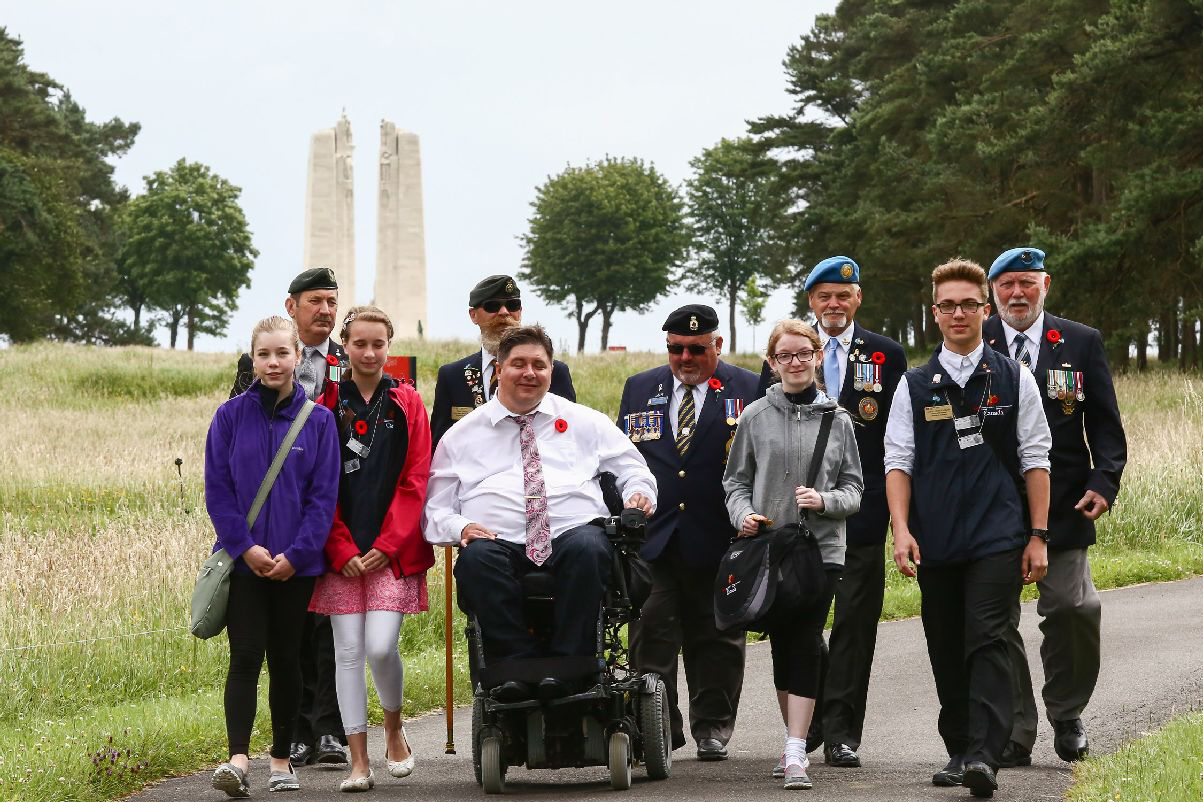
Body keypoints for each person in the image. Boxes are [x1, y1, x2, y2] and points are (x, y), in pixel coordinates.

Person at [884, 258, 1052, 798]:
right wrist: (901, 530)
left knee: (989, 637)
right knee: (945, 641)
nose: (959, 313)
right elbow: (898, 462)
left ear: (985, 309)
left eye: (968, 304)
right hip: (935, 538)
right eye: (948, 305)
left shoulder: (1014, 377)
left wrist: (1038, 536)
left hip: (998, 536)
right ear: (935, 313)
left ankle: (985, 753)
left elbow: (1036, 459)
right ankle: (959, 747)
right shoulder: (913, 385)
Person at [424, 325, 656, 701]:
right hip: (497, 540)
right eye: (519, 364)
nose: (529, 373)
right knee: (476, 561)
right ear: (499, 369)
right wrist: (461, 526)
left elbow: (634, 470)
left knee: (590, 547)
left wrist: (638, 495)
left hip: (572, 533)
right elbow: (436, 508)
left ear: (551, 370)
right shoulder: (462, 435)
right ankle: (515, 668)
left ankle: (571, 666)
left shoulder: (585, 421)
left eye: (539, 365)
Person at [758, 257, 908, 769]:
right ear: (812, 302)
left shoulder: (887, 355)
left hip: (859, 514)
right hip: (796, 526)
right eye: (824, 296)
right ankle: (814, 714)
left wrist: (900, 517)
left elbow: (898, 438)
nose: (834, 304)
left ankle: (843, 733)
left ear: (858, 298)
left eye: (843, 295)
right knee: (800, 623)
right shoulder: (789, 352)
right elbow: (764, 431)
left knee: (854, 627)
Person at [984, 247, 1127, 766]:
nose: (1017, 293)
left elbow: (1106, 426)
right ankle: (1015, 729)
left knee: (1074, 607)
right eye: (1006, 285)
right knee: (994, 620)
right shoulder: (974, 340)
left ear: (1045, 285)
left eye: (1026, 283)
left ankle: (1067, 713)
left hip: (1065, 503)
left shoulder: (1080, 342)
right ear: (992, 292)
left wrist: (1104, 482)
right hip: (992, 505)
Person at [724, 318, 863, 790]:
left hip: (822, 552)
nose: (796, 362)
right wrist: (743, 514)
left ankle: (796, 749)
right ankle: (794, 739)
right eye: (785, 355)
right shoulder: (754, 416)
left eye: (804, 353)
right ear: (772, 362)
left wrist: (824, 501)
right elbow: (735, 482)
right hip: (769, 551)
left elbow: (854, 489)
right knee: (783, 643)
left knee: (804, 638)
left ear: (818, 356)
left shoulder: (838, 419)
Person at [617, 303, 761, 761]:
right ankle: (657, 728)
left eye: (696, 349)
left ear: (717, 344)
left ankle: (712, 727)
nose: (685, 358)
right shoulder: (641, 387)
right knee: (650, 636)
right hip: (655, 541)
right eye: (676, 348)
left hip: (721, 536)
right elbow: (621, 461)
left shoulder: (748, 387)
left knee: (717, 638)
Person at [206, 315, 340, 797]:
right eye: (264, 354)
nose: (273, 362)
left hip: (295, 568)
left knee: (286, 660)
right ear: (253, 359)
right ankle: (238, 761)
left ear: (297, 357)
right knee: (244, 657)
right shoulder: (228, 417)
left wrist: (297, 555)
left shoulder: (320, 422)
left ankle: (281, 759)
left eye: (283, 353)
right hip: (243, 563)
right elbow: (218, 491)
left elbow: (323, 498)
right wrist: (245, 548)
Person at [308, 306, 435, 793]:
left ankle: (394, 728)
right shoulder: (324, 404)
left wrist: (387, 543)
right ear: (345, 346)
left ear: (389, 346)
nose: (368, 352)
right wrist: (339, 546)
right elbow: (317, 484)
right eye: (359, 343)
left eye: (377, 344)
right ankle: (358, 761)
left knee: (381, 647)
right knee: (347, 652)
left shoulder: (408, 401)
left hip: (391, 549)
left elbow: (416, 477)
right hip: (341, 552)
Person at [229, 267, 349, 767]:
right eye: (315, 300)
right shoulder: (253, 364)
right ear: (292, 306)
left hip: (332, 513)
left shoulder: (349, 359)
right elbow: (238, 445)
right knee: (287, 642)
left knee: (328, 632)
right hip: (269, 520)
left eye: (332, 301)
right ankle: (295, 733)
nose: (325, 310)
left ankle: (329, 730)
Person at [429, 275, 576, 451]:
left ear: (520, 311)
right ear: (473, 315)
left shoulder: (553, 372)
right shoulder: (453, 376)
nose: (504, 312)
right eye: (492, 306)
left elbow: (569, 433)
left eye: (512, 305)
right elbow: (439, 444)